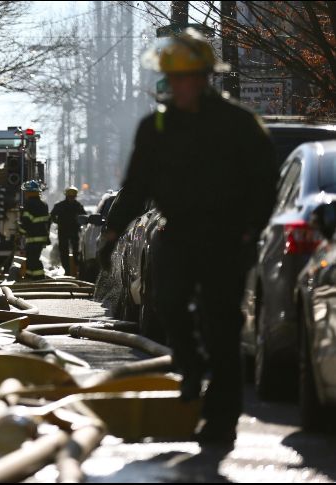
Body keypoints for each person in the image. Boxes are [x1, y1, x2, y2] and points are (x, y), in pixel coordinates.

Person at [99, 29, 278, 444]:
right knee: (168, 303)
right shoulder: (156, 126)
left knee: (222, 326)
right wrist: (111, 231)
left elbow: (264, 182)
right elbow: (137, 184)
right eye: (172, 77)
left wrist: (253, 229)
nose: (178, 85)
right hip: (176, 234)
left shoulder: (239, 124)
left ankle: (221, 418)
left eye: (186, 76)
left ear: (204, 77)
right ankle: (190, 364)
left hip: (226, 239)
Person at [50, 185, 87, 277]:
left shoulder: (75, 206)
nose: (71, 198)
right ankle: (68, 270)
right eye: (70, 196)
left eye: (72, 196)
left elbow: (84, 217)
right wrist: (57, 221)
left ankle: (74, 269)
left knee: (74, 251)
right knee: (64, 251)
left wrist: (57, 221)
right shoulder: (70, 205)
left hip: (70, 231)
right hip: (65, 231)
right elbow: (52, 215)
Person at [19, 180, 50, 280]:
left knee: (33, 260)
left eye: (26, 192)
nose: (25, 194)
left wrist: (20, 233)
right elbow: (47, 222)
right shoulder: (44, 205)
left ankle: (39, 278)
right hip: (42, 237)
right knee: (31, 259)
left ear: (30, 192)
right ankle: (29, 276)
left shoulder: (29, 205)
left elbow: (26, 222)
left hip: (33, 237)